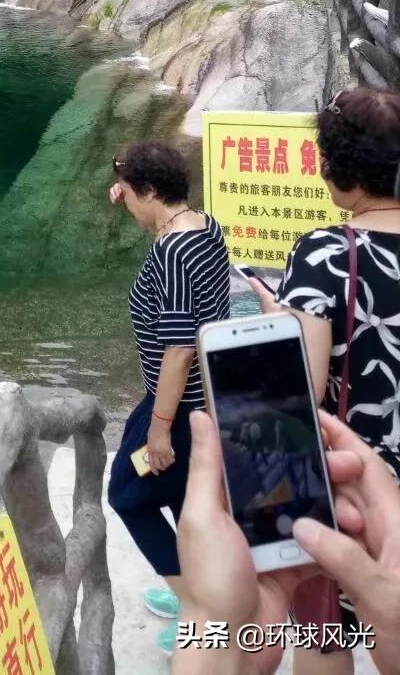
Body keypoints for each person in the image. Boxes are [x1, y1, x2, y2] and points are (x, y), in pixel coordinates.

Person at [250, 89, 400, 675]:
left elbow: (304, 388)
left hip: (353, 490)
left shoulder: (325, 254)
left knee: (322, 635)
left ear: (334, 169)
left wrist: (276, 323)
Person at [106, 142, 231, 656]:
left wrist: (159, 428)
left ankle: (198, 610)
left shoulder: (171, 252)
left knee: (126, 496)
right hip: (207, 402)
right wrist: (125, 188)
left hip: (176, 407)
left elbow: (179, 348)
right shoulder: (206, 226)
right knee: (184, 501)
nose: (127, 204)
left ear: (152, 191)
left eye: (133, 195)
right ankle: (203, 593)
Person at [172, 409, 400, 675]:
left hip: (326, 480)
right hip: (344, 477)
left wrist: (208, 623)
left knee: (322, 635)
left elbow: (304, 399)